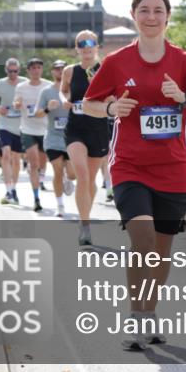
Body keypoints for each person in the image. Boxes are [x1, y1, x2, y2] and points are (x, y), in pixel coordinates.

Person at [82, 0, 186, 351]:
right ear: (134, 15)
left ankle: (149, 314)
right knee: (141, 242)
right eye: (145, 10)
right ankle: (136, 319)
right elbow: (89, 104)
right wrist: (111, 110)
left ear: (167, 17)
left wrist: (185, 99)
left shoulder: (185, 62)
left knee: (161, 249)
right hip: (129, 166)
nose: (152, 17)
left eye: (159, 10)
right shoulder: (116, 61)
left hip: (172, 169)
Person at [61, 31, 113, 245]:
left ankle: (86, 215)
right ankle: (85, 226)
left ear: (97, 46)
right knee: (82, 176)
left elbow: (114, 96)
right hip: (75, 128)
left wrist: (107, 98)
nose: (86, 47)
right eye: (82, 43)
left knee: (90, 180)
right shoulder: (69, 71)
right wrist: (64, 100)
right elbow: (63, 91)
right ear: (77, 48)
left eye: (90, 43)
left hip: (98, 129)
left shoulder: (106, 69)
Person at [37, 60, 78, 217]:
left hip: (72, 137)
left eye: (63, 68)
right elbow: (37, 113)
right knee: (57, 170)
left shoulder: (76, 89)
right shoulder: (46, 92)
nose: (60, 71)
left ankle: (69, 179)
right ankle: (60, 205)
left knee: (73, 174)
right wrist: (48, 108)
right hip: (53, 138)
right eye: (57, 69)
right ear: (52, 71)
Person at [14, 58, 52, 212]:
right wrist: (17, 104)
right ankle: (36, 198)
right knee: (34, 164)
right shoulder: (21, 87)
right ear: (28, 71)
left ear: (42, 70)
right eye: (33, 68)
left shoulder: (48, 85)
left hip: (45, 129)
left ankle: (41, 179)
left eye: (39, 67)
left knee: (43, 164)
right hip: (28, 129)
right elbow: (16, 101)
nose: (36, 70)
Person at [0, 59, 24, 204]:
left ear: (19, 71)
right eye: (10, 71)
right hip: (4, 124)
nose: (13, 74)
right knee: (6, 154)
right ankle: (8, 189)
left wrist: (22, 105)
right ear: (6, 70)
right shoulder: (0, 83)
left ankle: (13, 189)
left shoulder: (24, 82)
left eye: (15, 71)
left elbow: (33, 99)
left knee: (16, 159)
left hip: (20, 125)